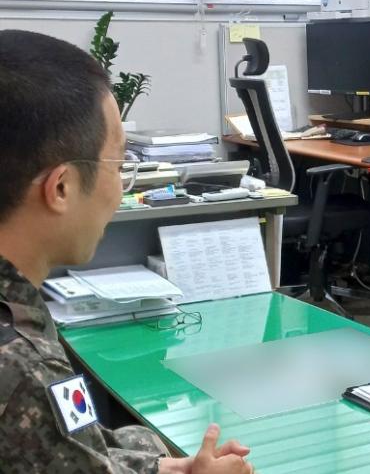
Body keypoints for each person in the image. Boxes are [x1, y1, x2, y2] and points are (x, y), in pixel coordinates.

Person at [0, 30, 254, 473]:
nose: (120, 189)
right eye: (117, 166)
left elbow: (68, 453)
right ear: (60, 187)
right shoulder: (22, 369)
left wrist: (160, 467)